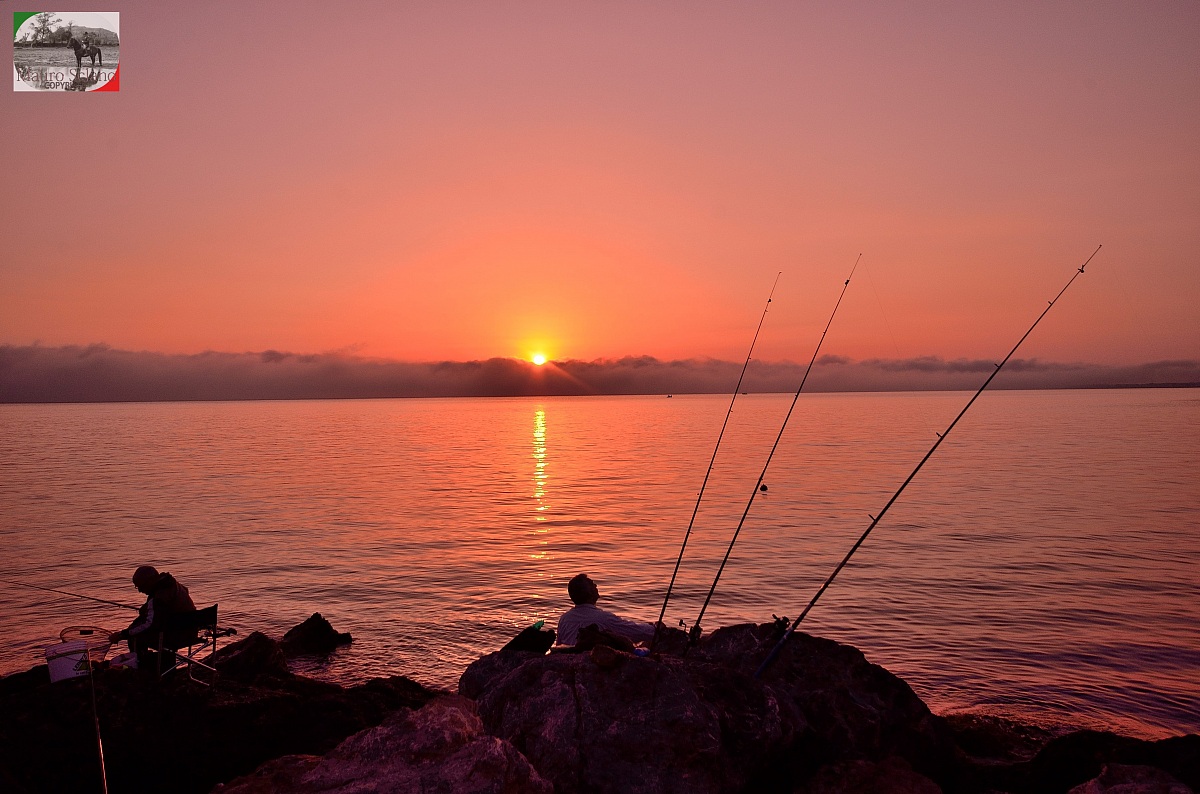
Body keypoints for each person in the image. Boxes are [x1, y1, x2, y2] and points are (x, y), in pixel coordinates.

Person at [109, 566, 197, 668]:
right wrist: (128, 630)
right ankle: (163, 665)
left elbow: (150, 624)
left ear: (149, 581)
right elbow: (148, 616)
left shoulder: (158, 598)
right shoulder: (173, 585)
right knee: (137, 632)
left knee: (134, 638)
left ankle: (145, 668)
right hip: (190, 631)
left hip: (177, 636)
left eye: (140, 586)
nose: (140, 591)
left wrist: (123, 634)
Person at [556, 573, 655, 646]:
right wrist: (655, 628)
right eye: (592, 584)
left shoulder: (564, 619)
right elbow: (635, 631)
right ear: (589, 593)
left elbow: (559, 646)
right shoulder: (603, 618)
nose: (596, 586)